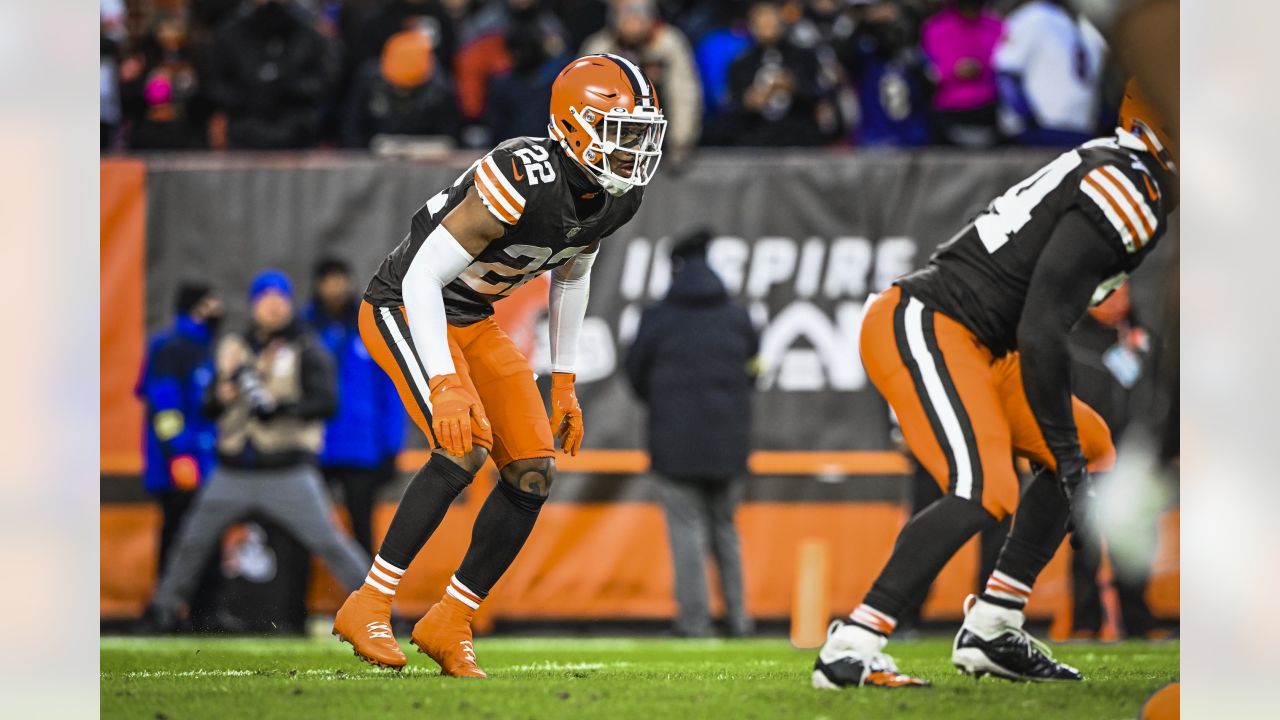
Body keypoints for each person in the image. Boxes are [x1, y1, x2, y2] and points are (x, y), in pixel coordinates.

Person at [813, 81, 1177, 688]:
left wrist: (1066, 451)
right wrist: (1058, 453)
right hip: (935, 322)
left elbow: (1036, 325)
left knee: (1092, 445)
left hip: (988, 343)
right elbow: (1042, 328)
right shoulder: (1128, 186)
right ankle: (852, 643)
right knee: (983, 487)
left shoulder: (1122, 173)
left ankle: (994, 625)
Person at [331, 54, 666, 675]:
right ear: (571, 125)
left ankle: (449, 620)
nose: (632, 149)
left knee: (533, 470)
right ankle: (369, 603)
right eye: (619, 131)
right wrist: (445, 382)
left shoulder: (618, 198)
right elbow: (424, 277)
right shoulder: (525, 170)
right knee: (462, 446)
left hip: (472, 318)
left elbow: (574, 275)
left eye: (641, 133)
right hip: (406, 306)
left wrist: (563, 380)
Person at [146, 270, 370, 630]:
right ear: (254, 305)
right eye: (265, 300)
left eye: (279, 300)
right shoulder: (232, 347)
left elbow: (327, 402)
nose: (273, 308)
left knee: (332, 543)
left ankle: (380, 610)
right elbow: (204, 406)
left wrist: (281, 409)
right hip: (233, 468)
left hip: (288, 470)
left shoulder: (307, 346)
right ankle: (162, 611)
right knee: (191, 543)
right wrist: (221, 397)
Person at [624, 230, 758, 638]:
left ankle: (695, 623)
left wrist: (667, 407)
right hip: (729, 445)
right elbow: (754, 371)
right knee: (726, 529)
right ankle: (739, 619)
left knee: (687, 532)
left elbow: (635, 374)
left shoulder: (657, 318)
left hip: (675, 445)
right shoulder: (738, 317)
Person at [1065, 283, 1160, 640]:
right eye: (1109, 293)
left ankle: (1138, 620)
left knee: (1133, 538)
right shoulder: (1073, 341)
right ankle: (1085, 623)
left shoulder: (1143, 337)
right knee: (1085, 542)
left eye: (1124, 293)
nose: (1118, 300)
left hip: (1133, 453)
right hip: (1088, 453)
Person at [303, 258, 407, 557]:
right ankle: (293, 603)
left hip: (361, 448)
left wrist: (391, 446)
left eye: (341, 279)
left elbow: (391, 388)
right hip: (314, 445)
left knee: (363, 528)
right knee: (306, 527)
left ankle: (367, 597)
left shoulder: (368, 326)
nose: (336, 287)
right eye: (329, 280)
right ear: (318, 285)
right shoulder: (304, 331)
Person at [135, 282, 224, 627]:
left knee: (203, 538)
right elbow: (165, 405)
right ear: (198, 308)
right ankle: (164, 611)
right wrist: (179, 454)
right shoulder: (171, 347)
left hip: (202, 462)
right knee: (176, 536)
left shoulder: (201, 347)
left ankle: (203, 612)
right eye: (211, 303)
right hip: (178, 465)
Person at [204, 0, 339, 149]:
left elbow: (324, 82)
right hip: (243, 129)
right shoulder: (230, 32)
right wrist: (249, 95)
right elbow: (213, 82)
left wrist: (288, 88)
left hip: (297, 133)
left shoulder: (310, 32)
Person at [581, 0, 703, 165]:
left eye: (638, 15)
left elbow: (684, 95)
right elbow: (582, 96)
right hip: (609, 136)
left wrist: (679, 144)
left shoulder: (669, 44)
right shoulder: (600, 46)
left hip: (660, 133)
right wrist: (587, 144)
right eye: (626, 16)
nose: (633, 21)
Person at [993, 0, 1108, 147]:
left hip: (1078, 130)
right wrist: (1027, 119)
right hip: (1043, 131)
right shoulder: (1032, 17)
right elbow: (1007, 74)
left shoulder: (1083, 24)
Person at [726, 0, 824, 147]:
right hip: (756, 141)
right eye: (761, 22)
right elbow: (732, 108)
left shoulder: (804, 57)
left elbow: (817, 97)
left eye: (771, 21)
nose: (767, 27)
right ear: (753, 26)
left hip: (798, 139)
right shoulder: (740, 64)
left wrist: (793, 86)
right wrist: (749, 101)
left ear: (781, 22)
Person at [340, 28, 461, 147]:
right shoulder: (368, 81)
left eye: (410, 88)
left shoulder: (440, 90)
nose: (403, 91)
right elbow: (352, 127)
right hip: (374, 153)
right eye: (398, 86)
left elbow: (449, 136)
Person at [920, 0, 1004, 148]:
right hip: (949, 109)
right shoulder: (936, 28)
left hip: (989, 107)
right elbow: (928, 69)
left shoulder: (995, 26)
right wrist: (954, 71)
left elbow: (1005, 64)